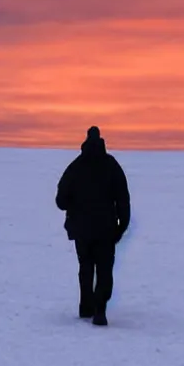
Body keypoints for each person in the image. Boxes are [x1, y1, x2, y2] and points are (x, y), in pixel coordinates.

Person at [55, 126, 130, 326]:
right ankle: (99, 310)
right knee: (104, 269)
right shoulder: (111, 165)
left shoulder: (76, 166)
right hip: (106, 229)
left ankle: (86, 306)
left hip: (82, 229)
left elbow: (60, 200)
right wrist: (122, 225)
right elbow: (123, 199)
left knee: (86, 267)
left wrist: (74, 205)